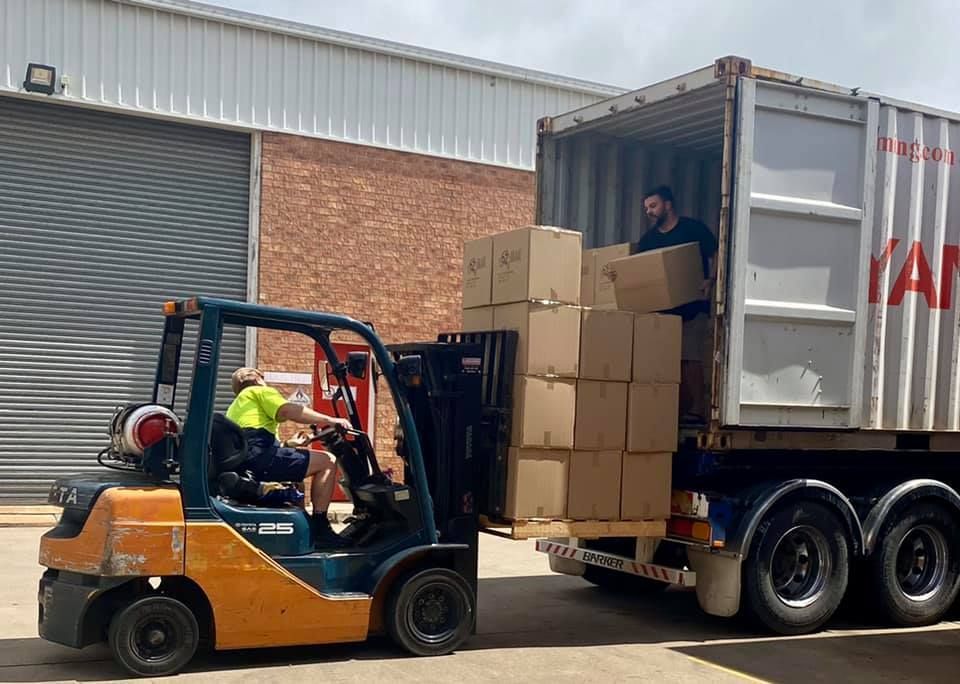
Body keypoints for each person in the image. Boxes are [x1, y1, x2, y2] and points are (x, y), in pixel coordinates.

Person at [226, 367, 352, 547]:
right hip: (260, 458)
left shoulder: (236, 406)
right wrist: (330, 420)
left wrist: (289, 444)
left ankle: (304, 528)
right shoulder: (257, 391)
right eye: (263, 377)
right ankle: (321, 529)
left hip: (249, 462)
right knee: (327, 461)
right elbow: (288, 410)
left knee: (298, 480)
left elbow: (254, 443)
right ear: (257, 378)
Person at [634, 185, 717, 424]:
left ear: (668, 205)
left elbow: (715, 254)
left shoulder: (693, 229)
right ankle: (676, 410)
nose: (649, 212)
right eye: (646, 208)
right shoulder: (648, 240)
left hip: (693, 308)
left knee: (690, 358)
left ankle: (698, 410)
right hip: (663, 314)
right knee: (669, 362)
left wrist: (711, 280)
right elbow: (636, 271)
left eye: (653, 206)